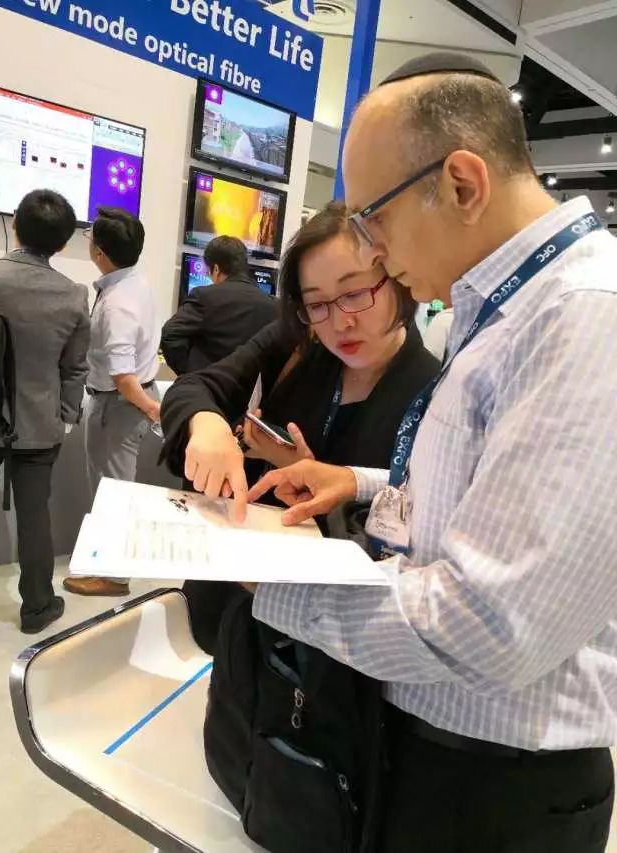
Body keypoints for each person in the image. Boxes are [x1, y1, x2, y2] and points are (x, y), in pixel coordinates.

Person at [244, 53, 617, 853]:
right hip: (435, 753)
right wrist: (358, 480)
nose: (373, 252)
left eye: (373, 218)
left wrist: (271, 581)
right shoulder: (506, 309)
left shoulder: (587, 317)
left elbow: (493, 623)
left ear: (462, 184)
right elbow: (491, 482)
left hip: (493, 788)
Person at [161, 201, 439, 650]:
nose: (341, 322)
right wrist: (206, 422)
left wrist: (313, 478)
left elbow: (408, 540)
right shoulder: (299, 342)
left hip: (332, 636)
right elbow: (198, 386)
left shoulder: (433, 392)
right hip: (238, 599)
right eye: (317, 304)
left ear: (397, 278)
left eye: (355, 293)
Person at [0, 189, 89, 633]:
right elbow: (74, 368)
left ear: (16, 226)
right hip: (39, 425)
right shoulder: (73, 295)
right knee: (34, 516)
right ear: (62, 244)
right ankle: (38, 607)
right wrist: (65, 415)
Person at [63, 207, 159, 598]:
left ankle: (114, 578)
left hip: (118, 406)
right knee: (115, 492)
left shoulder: (117, 303)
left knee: (114, 495)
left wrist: (151, 410)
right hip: (123, 402)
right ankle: (104, 563)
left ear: (99, 252)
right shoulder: (135, 282)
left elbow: (123, 378)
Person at [160, 235, 279, 376]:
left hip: (208, 385)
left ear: (216, 269)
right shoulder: (274, 306)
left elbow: (170, 334)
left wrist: (191, 372)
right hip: (250, 387)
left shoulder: (205, 296)